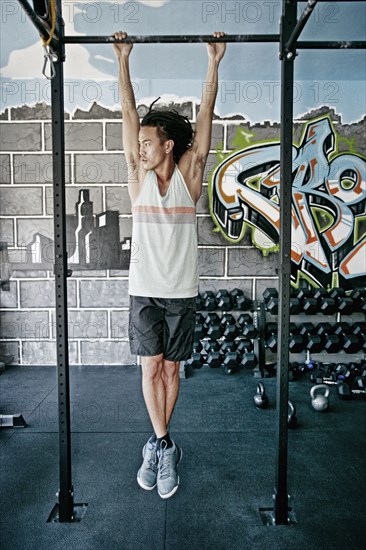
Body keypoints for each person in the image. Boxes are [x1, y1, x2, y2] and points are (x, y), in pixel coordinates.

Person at [113, 31, 226, 499]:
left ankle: (158, 446)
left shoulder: (189, 177)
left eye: (147, 142)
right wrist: (123, 59)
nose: (140, 147)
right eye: (137, 143)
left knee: (172, 371)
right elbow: (127, 112)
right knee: (149, 368)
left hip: (180, 291)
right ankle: (163, 445)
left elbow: (204, 120)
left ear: (169, 146)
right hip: (144, 288)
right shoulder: (137, 178)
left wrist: (213, 62)